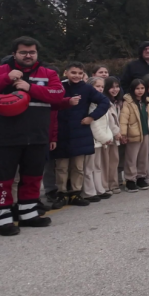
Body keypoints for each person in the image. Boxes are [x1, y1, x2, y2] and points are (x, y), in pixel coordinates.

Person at [0, 37, 65, 236]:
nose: (28, 55)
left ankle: (28, 214)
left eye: (32, 52)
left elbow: (58, 94)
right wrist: (6, 79)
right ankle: (2, 219)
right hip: (5, 137)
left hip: (37, 136)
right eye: (23, 52)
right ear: (14, 53)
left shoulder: (48, 73)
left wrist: (31, 88)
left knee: (33, 177)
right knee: (3, 179)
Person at [52, 62, 111, 208]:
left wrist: (92, 117)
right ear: (66, 72)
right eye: (73, 72)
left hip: (80, 132)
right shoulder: (59, 86)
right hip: (62, 131)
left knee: (78, 167)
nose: (77, 76)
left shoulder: (86, 88)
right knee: (61, 167)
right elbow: (51, 103)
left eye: (80, 73)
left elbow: (104, 102)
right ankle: (61, 193)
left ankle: (76, 193)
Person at [120, 79, 149, 192]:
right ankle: (130, 180)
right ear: (132, 89)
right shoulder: (128, 102)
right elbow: (123, 119)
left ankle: (141, 177)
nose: (140, 91)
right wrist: (123, 134)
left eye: (142, 88)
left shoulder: (147, 102)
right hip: (133, 135)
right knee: (131, 158)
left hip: (146, 133)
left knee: (143, 157)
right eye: (137, 88)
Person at [83, 76, 112, 202]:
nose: (100, 89)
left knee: (97, 166)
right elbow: (94, 125)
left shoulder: (100, 103)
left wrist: (107, 136)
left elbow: (106, 124)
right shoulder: (89, 104)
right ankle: (89, 192)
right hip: (92, 141)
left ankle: (99, 189)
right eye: (97, 86)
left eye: (102, 87)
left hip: (100, 141)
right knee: (89, 168)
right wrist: (105, 138)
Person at [102, 77, 123, 192]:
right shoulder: (105, 101)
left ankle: (113, 184)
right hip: (107, 135)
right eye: (112, 87)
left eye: (117, 87)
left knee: (114, 161)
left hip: (116, 136)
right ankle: (105, 186)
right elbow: (109, 120)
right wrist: (116, 132)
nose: (115, 90)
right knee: (106, 162)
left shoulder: (117, 102)